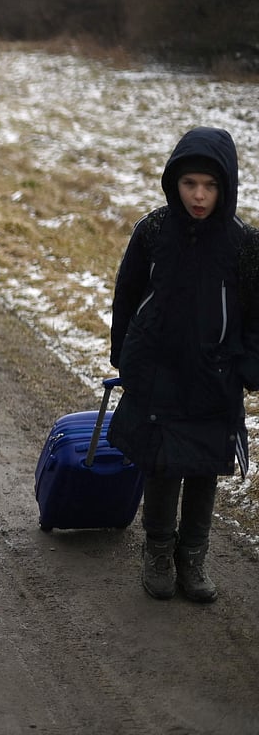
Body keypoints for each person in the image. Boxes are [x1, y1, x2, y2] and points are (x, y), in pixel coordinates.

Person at [109, 126, 259, 604]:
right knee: (161, 464)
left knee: (202, 466)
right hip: (157, 371)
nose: (198, 195)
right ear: (174, 182)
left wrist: (249, 366)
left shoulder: (243, 244)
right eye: (190, 183)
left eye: (210, 186)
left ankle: (192, 557)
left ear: (226, 186)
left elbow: (256, 315)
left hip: (216, 375)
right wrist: (124, 356)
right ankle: (158, 551)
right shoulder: (153, 231)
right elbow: (127, 297)